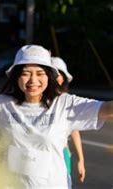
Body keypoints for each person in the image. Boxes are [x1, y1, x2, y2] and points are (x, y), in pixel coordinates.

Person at [0, 45, 113, 188]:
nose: (33, 80)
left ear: (49, 77)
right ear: (17, 76)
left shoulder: (64, 104)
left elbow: (106, 109)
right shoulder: (3, 105)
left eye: (40, 73)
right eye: (26, 74)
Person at [51, 56, 86, 185]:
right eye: (52, 72)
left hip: (61, 152)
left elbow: (74, 131)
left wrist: (80, 160)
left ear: (64, 78)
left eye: (59, 73)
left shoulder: (65, 101)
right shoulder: (30, 100)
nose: (55, 77)